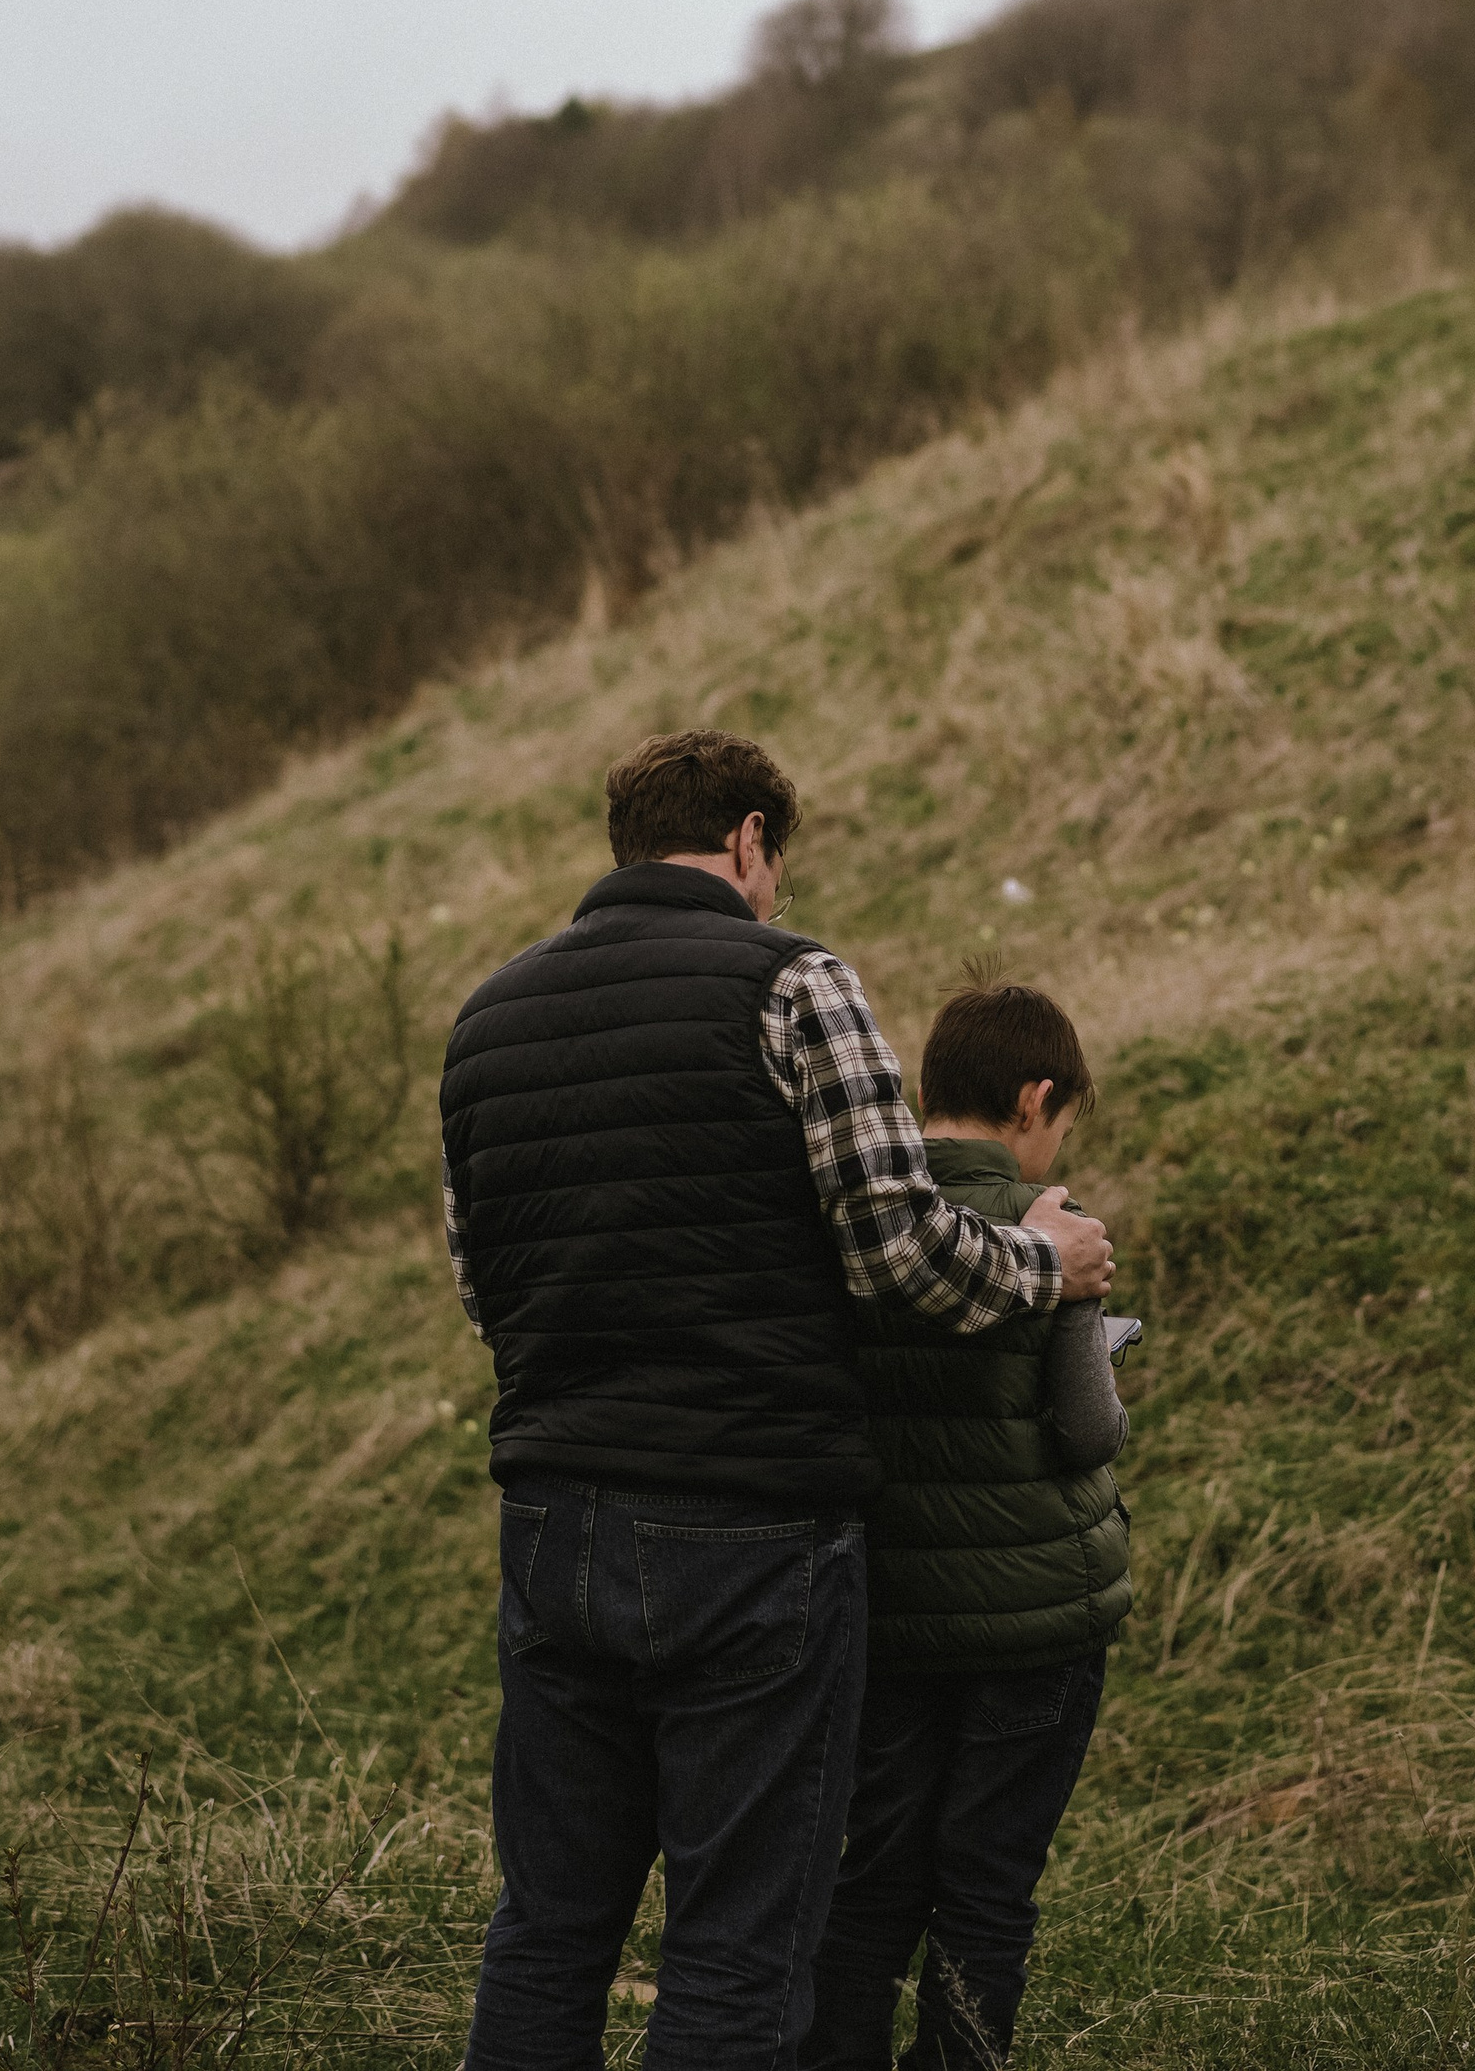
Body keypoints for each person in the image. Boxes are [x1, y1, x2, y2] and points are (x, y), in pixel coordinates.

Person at [438, 731, 1117, 2071]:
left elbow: (483, 1288)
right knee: (734, 1952)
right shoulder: (795, 981)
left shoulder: (487, 1016)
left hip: (553, 1520)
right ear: (750, 838)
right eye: (778, 858)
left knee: (550, 1927)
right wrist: (1045, 1262)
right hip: (751, 1533)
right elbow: (897, 1252)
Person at [801, 983, 1132, 2071]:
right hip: (1034, 1624)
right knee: (986, 1889)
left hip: (890, 1612)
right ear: (1035, 1098)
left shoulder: (855, 1220)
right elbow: (1085, 1430)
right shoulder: (1054, 1231)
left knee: (875, 1874)